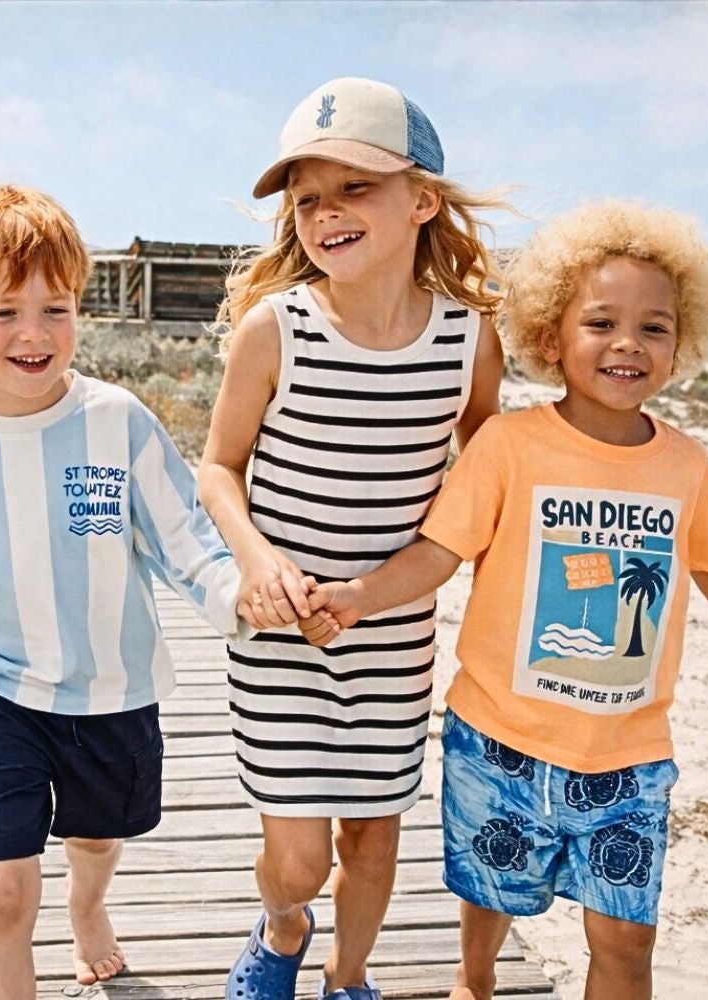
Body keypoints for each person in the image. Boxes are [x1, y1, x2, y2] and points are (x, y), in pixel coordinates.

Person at [306, 202, 708, 1000]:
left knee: (626, 943)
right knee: (493, 896)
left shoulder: (685, 465)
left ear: (681, 343)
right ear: (550, 338)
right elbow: (440, 550)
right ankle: (475, 979)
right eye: (601, 323)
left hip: (629, 756)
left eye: (654, 328)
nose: (628, 344)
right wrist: (359, 596)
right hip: (499, 739)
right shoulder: (509, 447)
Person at [0, 183, 271, 999]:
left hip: (108, 686)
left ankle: (88, 905)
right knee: (0, 891)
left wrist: (241, 595)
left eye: (55, 309)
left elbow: (185, 539)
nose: (34, 333)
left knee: (97, 837)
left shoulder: (118, 420)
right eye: (4, 312)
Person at [197, 75, 511, 1000]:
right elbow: (218, 469)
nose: (326, 213)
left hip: (394, 638)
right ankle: (283, 925)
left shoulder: (468, 341)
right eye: (307, 200)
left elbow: (485, 477)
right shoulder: (275, 331)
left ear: (423, 201)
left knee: (372, 839)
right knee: (299, 862)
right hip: (281, 636)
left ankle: (348, 978)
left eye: (355, 187)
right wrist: (258, 562)